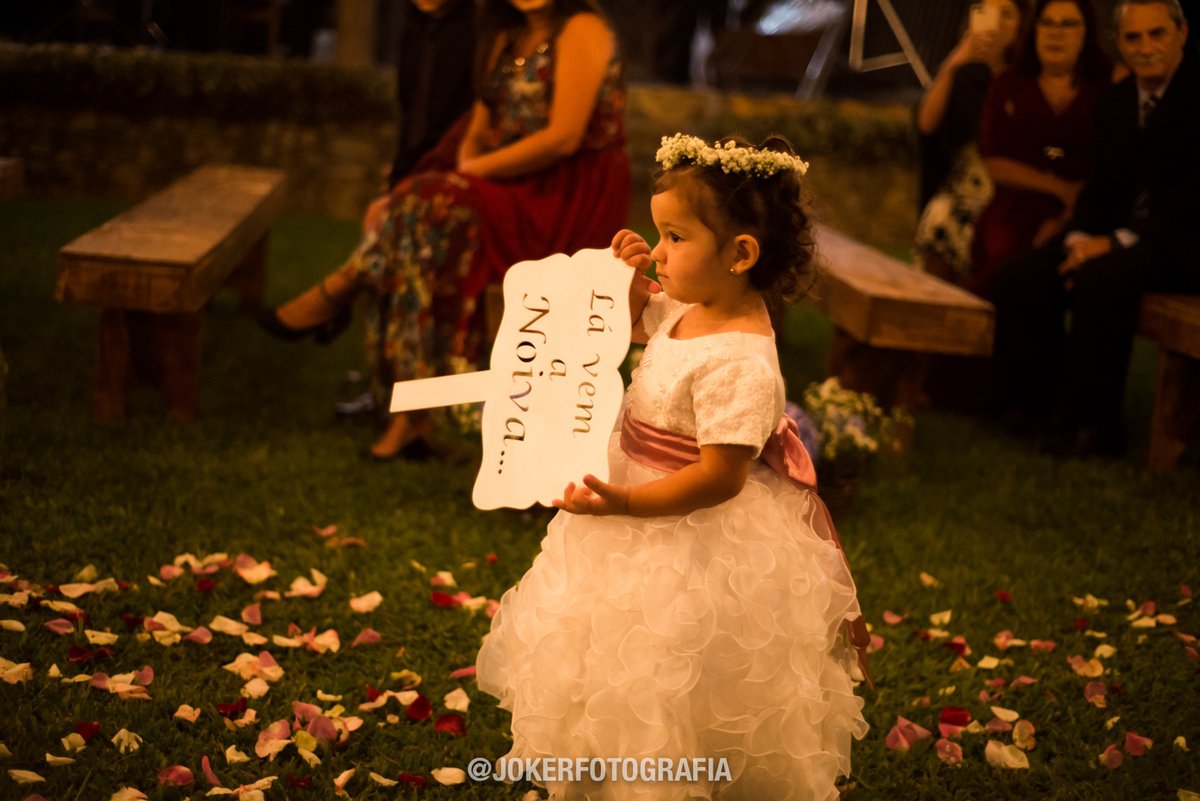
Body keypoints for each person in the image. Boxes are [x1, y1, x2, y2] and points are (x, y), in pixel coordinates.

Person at [476, 134, 871, 801]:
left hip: (688, 529)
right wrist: (629, 290)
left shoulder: (741, 360)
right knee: (603, 640)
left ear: (740, 254)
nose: (659, 250)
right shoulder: (693, 308)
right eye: (659, 233)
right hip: (630, 493)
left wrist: (630, 503)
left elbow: (719, 477)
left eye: (675, 237)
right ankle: (598, 760)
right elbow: (637, 330)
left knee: (667, 661)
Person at [258, 0, 631, 459]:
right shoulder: (504, 35)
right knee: (414, 234)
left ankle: (345, 291)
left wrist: (473, 173)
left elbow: (563, 138)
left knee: (420, 211)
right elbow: (479, 124)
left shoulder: (583, 28)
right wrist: (466, 169)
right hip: (504, 185)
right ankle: (411, 413)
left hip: (566, 196)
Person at [991, 0, 1199, 456]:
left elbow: (1190, 200)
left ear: (1182, 32)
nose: (1145, 47)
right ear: (1118, 44)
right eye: (1132, 37)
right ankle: (1034, 410)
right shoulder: (1115, 103)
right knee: (1021, 276)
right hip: (1122, 237)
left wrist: (1112, 242)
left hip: (1183, 243)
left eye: (1156, 34)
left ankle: (1093, 427)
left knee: (1102, 278)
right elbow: (1101, 188)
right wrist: (1081, 236)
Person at [970, 0, 1111, 295]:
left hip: (1089, 209)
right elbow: (995, 162)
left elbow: (1115, 165)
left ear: (1087, 32)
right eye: (1047, 23)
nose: (1055, 33)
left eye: (1068, 24)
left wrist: (1070, 212)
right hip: (1018, 205)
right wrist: (1060, 188)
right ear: (1033, 29)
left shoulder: (1108, 87)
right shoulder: (1008, 83)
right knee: (1004, 250)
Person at [913, 0, 1027, 284]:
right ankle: (928, 312)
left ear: (1023, 24)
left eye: (1008, 14)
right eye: (989, 13)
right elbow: (927, 124)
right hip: (961, 189)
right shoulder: (963, 74)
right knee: (941, 215)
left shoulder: (1027, 78)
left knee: (981, 229)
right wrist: (954, 62)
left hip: (1006, 188)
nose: (998, 23)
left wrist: (998, 69)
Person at [388, 0, 477, 189]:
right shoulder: (415, 31)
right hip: (412, 162)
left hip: (457, 159)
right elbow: (410, 107)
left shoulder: (478, 29)